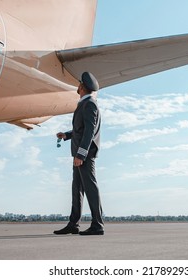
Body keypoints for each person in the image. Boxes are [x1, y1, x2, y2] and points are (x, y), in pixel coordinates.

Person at [54, 72, 104, 236]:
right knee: (77, 189)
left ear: (82, 87)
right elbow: (81, 129)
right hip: (79, 154)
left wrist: (81, 155)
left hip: (85, 155)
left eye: (79, 83)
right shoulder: (85, 103)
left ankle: (97, 225)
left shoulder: (89, 104)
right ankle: (73, 224)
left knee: (90, 188)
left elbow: (89, 131)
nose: (78, 85)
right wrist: (67, 135)